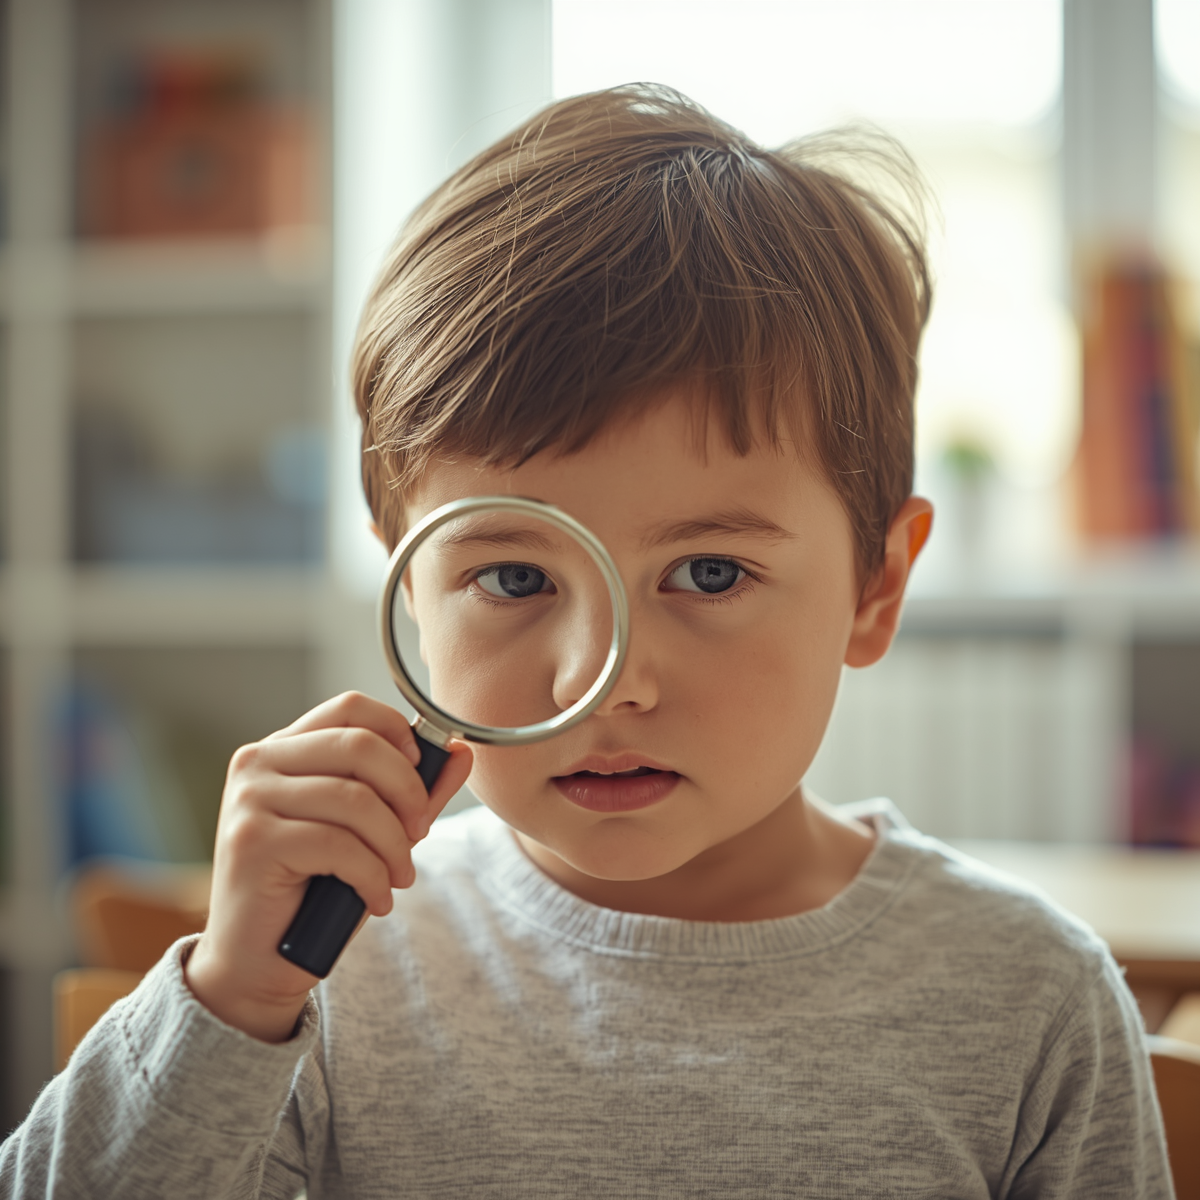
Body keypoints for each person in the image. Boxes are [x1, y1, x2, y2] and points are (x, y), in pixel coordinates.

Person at [1, 86, 1172, 1198]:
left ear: (877, 588)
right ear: (412, 592)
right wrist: (225, 1003)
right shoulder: (329, 966)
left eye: (709, 573)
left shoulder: (1029, 1004)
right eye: (513, 576)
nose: (602, 681)